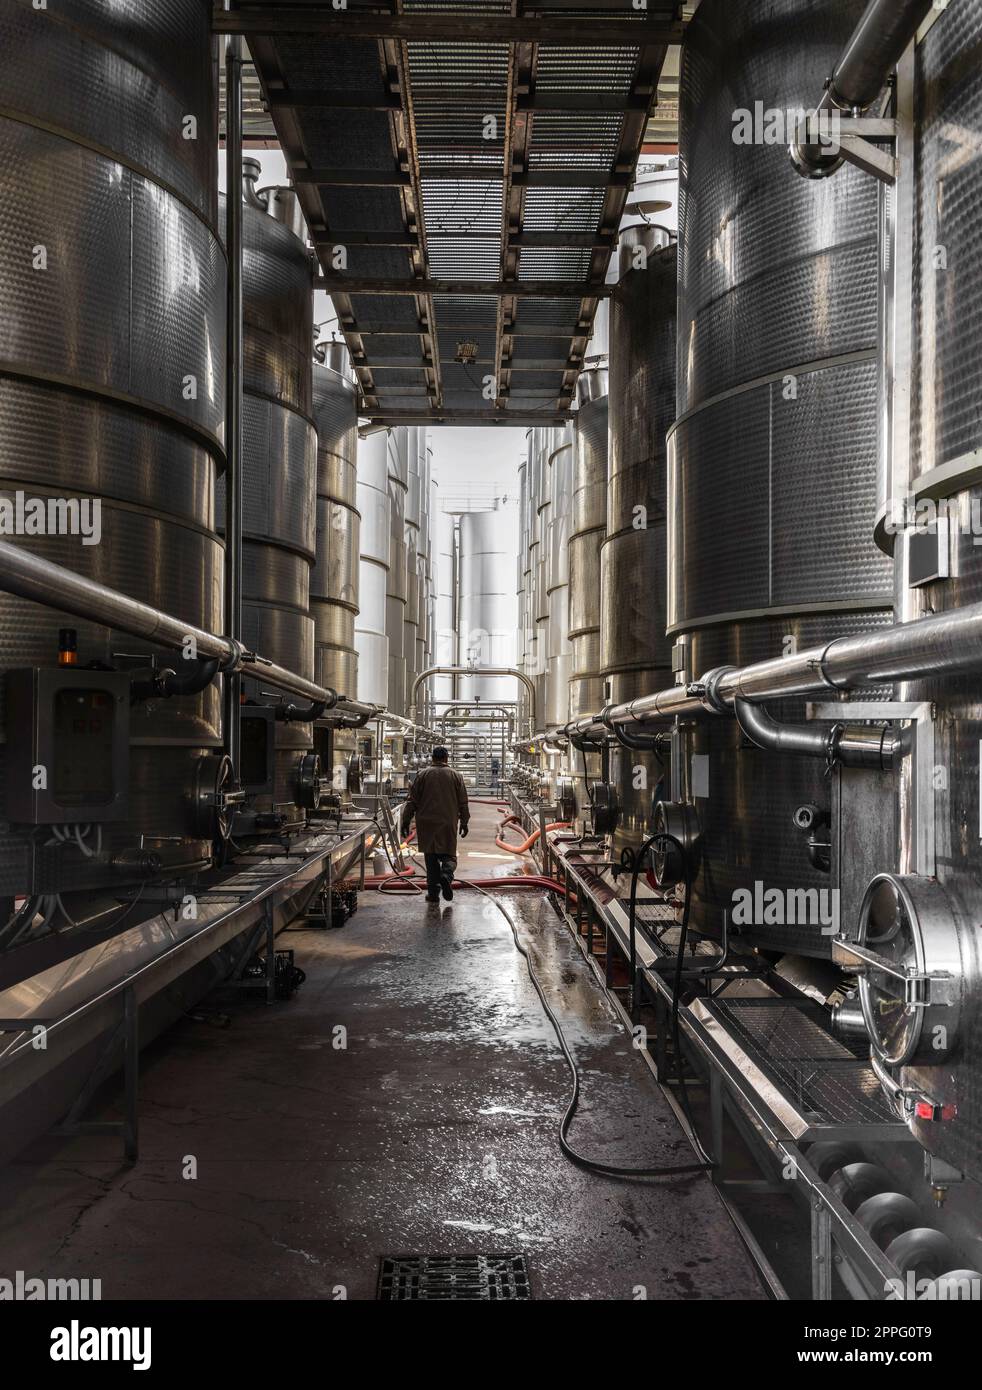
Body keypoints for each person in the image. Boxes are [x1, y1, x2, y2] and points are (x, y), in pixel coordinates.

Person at [402, 747, 469, 903]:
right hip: (447, 822)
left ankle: (433, 895)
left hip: (426, 823)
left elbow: (412, 800)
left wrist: (406, 820)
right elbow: (463, 802)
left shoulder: (422, 775)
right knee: (450, 855)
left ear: (432, 758)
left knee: (430, 858)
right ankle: (446, 873)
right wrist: (464, 821)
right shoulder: (456, 775)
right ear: (446, 759)